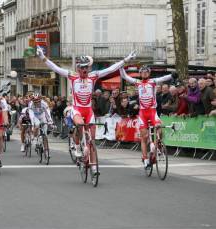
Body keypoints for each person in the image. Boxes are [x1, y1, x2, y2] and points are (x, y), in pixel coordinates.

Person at [36, 45, 136, 173]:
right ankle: (77, 147)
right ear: (78, 68)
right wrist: (43, 57)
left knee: (92, 142)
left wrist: (126, 60)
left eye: (86, 67)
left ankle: (93, 166)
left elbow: (111, 69)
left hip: (89, 111)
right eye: (81, 67)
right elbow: (55, 68)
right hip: (77, 109)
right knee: (79, 124)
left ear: (89, 67)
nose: (84, 69)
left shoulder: (93, 76)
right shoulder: (72, 76)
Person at [120, 65, 177, 169]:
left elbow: (163, 78)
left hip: (152, 111)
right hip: (142, 113)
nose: (145, 74)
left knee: (159, 129)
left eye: (146, 72)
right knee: (144, 137)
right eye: (143, 72)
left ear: (149, 73)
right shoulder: (137, 82)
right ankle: (145, 158)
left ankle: (157, 146)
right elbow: (125, 76)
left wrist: (172, 75)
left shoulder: (153, 81)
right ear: (140, 74)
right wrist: (121, 66)